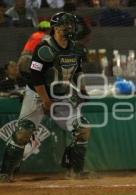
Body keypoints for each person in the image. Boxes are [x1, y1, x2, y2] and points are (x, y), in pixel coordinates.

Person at [0, 12, 91, 182]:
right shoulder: (44, 48)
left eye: (72, 25)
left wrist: (83, 90)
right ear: (55, 28)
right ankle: (5, 173)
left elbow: (77, 71)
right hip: (37, 94)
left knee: (83, 129)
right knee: (23, 133)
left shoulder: (76, 48)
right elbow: (36, 77)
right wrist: (46, 99)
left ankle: (75, 171)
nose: (70, 28)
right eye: (66, 25)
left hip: (62, 96)